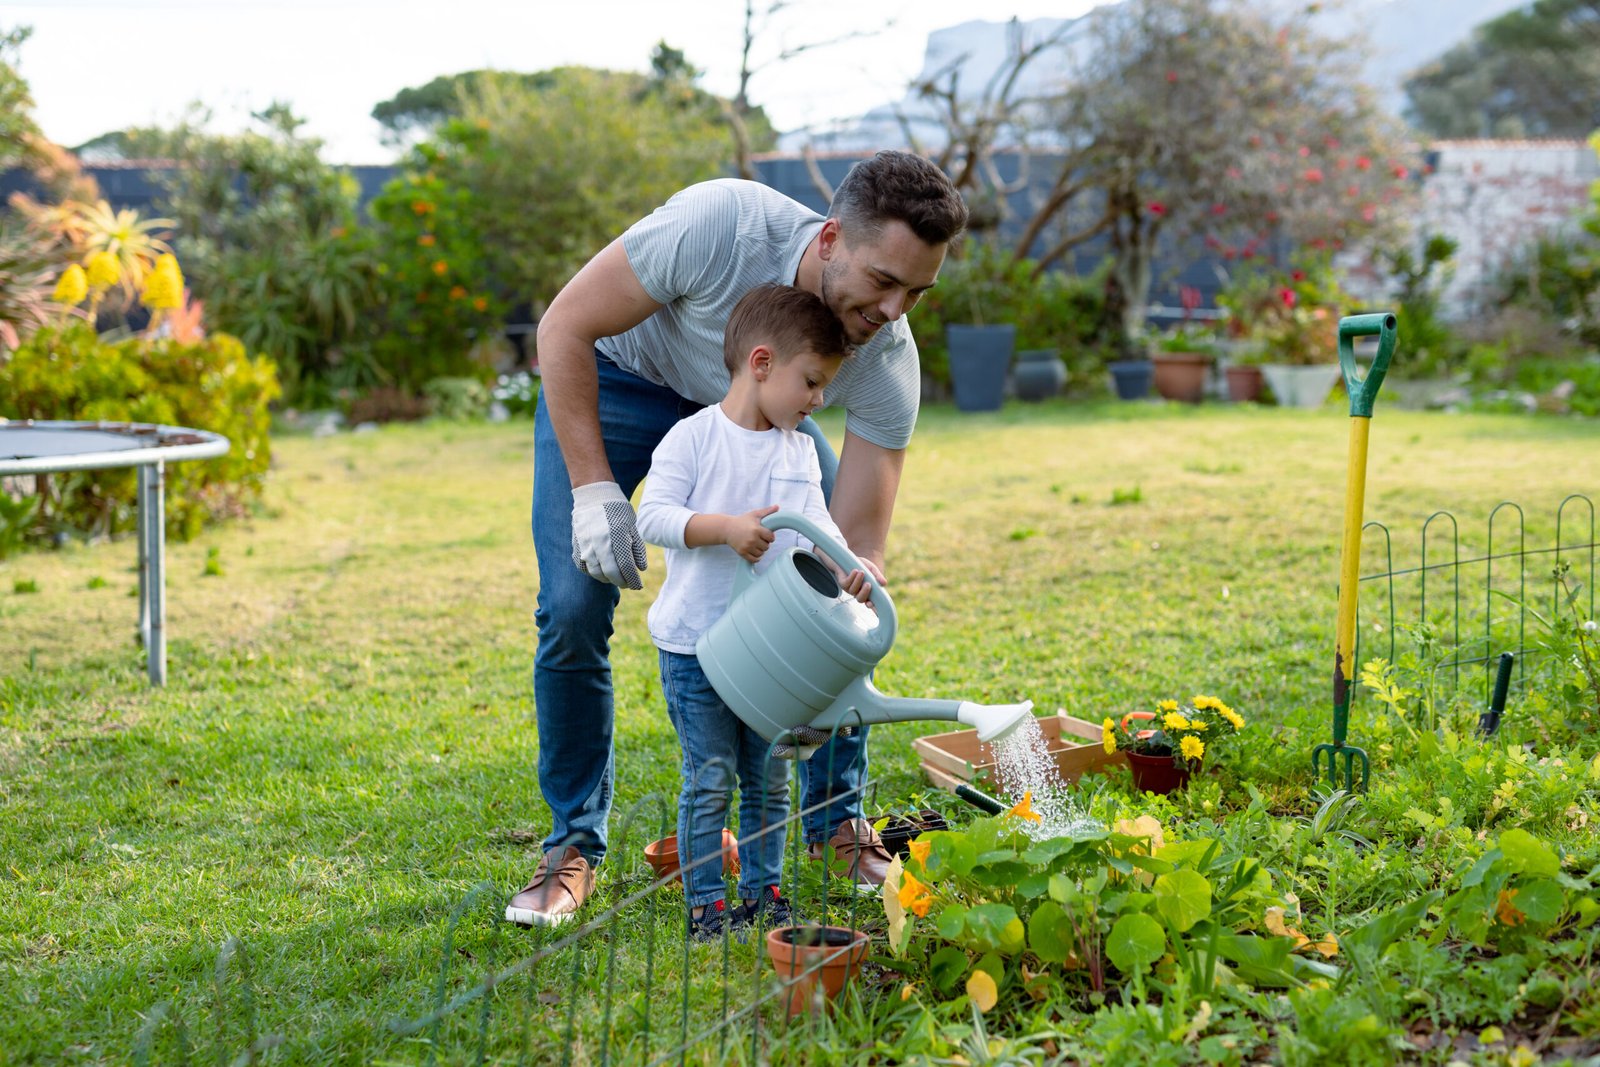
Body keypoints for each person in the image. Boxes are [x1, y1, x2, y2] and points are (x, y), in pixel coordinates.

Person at [506, 150, 968, 929]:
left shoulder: (887, 360)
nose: (895, 311)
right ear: (828, 239)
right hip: (623, 382)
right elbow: (563, 325)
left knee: (839, 600)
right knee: (573, 603)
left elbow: (858, 548)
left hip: (765, 423)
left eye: (917, 292)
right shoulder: (718, 227)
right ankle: (572, 845)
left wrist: (845, 605)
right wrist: (594, 491)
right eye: (883, 281)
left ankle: (834, 822)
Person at [634, 283, 878, 940]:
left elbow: (817, 527)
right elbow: (651, 515)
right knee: (710, 778)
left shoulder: (798, 449)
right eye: (811, 381)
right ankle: (708, 904)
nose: (818, 398)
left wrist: (847, 565)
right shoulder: (692, 439)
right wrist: (723, 529)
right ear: (762, 363)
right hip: (697, 646)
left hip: (768, 654)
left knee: (769, 779)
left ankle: (763, 890)